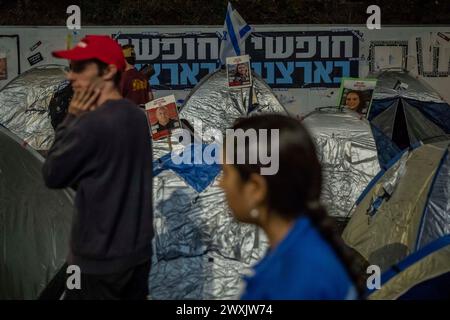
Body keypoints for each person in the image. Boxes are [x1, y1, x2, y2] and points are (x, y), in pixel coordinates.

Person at [43, 35, 154, 300]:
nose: (72, 76)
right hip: (137, 254)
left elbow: (53, 174)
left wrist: (71, 117)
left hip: (100, 259)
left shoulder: (90, 123)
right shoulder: (137, 117)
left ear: (107, 72)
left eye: (81, 68)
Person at [219, 114, 364, 300]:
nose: (220, 184)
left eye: (225, 173)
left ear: (256, 189)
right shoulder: (307, 244)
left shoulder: (293, 281)